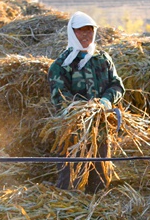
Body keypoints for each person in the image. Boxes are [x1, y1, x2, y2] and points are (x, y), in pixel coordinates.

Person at [47, 11, 126, 193]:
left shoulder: (102, 59)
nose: (86, 35)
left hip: (101, 128)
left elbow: (117, 86)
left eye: (90, 30)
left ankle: (99, 214)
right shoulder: (61, 65)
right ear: (72, 33)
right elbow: (60, 97)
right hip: (73, 132)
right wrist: (84, 110)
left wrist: (105, 102)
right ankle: (69, 215)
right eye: (81, 31)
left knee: (100, 179)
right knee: (71, 180)